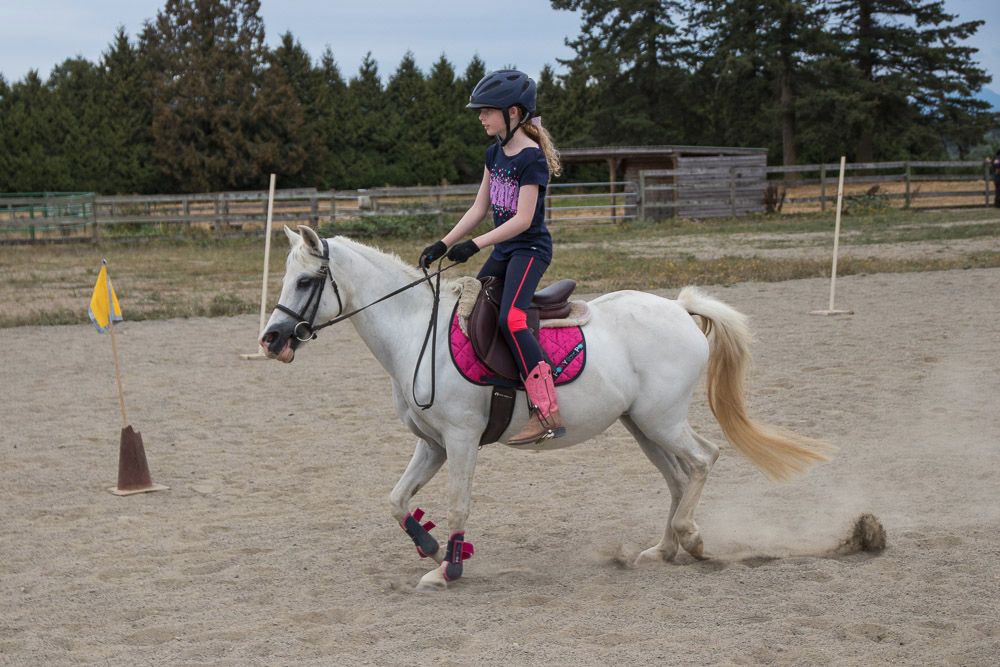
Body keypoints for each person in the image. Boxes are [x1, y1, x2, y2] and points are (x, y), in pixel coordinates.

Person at [418, 69, 564, 445]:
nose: (481, 117)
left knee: (512, 319)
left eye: (487, 110)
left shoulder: (531, 159)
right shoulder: (494, 152)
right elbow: (479, 207)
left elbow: (524, 219)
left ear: (513, 113)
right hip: (503, 248)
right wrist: (444, 243)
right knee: (472, 305)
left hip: (530, 250)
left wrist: (477, 245)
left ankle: (546, 410)